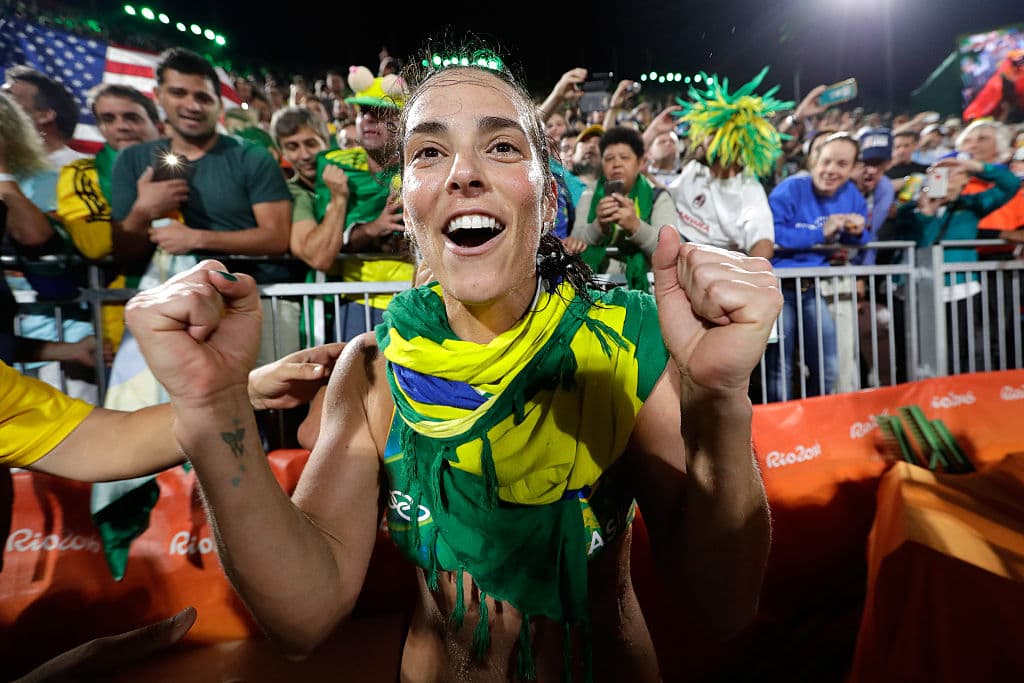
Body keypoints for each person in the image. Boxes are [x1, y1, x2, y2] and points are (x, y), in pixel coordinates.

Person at [124, 47, 779, 682]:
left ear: (547, 196)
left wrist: (722, 397)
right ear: (407, 206)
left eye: (501, 146)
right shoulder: (375, 368)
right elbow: (305, 615)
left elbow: (723, 608)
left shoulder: (626, 347)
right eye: (429, 151)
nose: (463, 172)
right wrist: (213, 408)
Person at [766, 132, 870, 402]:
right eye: (826, 162)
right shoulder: (790, 188)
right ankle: (781, 431)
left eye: (841, 164)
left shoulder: (851, 194)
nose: (831, 170)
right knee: (780, 368)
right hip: (778, 288)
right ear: (814, 160)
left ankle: (816, 425)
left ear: (853, 168)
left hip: (812, 289)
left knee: (828, 365)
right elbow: (770, 235)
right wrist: (821, 232)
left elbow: (860, 239)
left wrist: (856, 232)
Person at [574, 125, 677, 291]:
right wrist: (599, 226)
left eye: (624, 157)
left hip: (646, 288)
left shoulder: (658, 197)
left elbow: (670, 252)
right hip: (595, 286)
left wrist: (636, 226)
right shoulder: (590, 193)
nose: (616, 164)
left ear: (640, 163)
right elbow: (576, 243)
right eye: (609, 159)